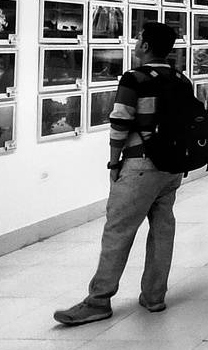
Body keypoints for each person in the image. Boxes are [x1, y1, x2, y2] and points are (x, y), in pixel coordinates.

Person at [55, 22, 185, 326]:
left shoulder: (134, 79)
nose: (135, 42)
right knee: (162, 230)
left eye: (139, 39)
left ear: (146, 46)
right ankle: (154, 296)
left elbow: (121, 121)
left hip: (140, 166)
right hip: (171, 168)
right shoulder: (180, 79)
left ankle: (98, 301)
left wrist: (114, 162)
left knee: (117, 231)